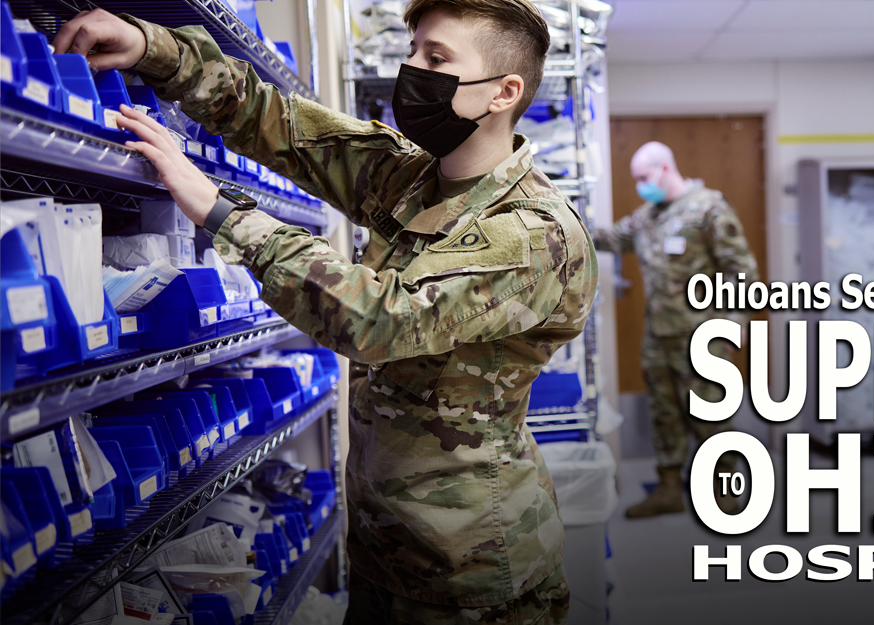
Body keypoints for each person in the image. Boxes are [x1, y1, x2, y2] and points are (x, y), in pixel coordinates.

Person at [53, 1, 598, 622]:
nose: (410, 66)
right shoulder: (416, 178)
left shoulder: (531, 233)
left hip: (472, 571)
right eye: (413, 48)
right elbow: (284, 125)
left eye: (437, 58)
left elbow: (380, 321)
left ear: (504, 92)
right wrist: (154, 49)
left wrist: (222, 211)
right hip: (384, 542)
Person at [593, 141, 758, 519]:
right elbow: (611, 238)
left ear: (665, 168)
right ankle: (669, 489)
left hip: (703, 334)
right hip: (659, 335)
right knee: (663, 413)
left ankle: (723, 492)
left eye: (643, 177)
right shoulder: (647, 216)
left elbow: (741, 269)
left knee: (711, 413)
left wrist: (736, 321)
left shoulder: (708, 207)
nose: (639, 185)